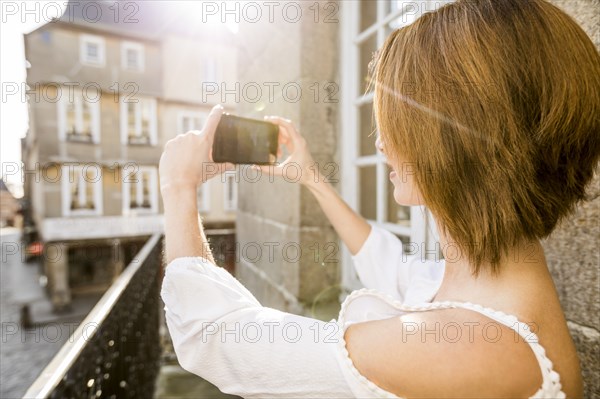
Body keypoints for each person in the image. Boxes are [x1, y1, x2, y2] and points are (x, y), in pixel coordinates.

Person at [158, 0, 599, 397]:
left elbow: (215, 336)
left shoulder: (462, 347)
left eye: (399, 121)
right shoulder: (499, 280)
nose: (382, 144)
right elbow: (385, 261)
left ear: (455, 138)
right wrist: (311, 178)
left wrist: (178, 189)